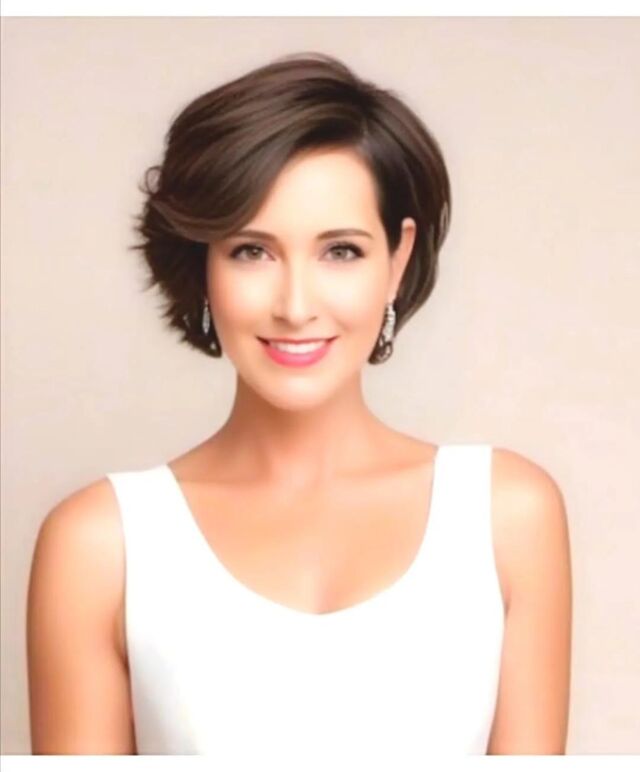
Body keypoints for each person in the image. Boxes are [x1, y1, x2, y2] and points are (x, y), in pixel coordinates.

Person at [26, 52, 572, 759]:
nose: (294, 305)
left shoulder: (506, 517)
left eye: (340, 251)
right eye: (252, 251)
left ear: (397, 261)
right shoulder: (100, 545)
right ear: (202, 264)